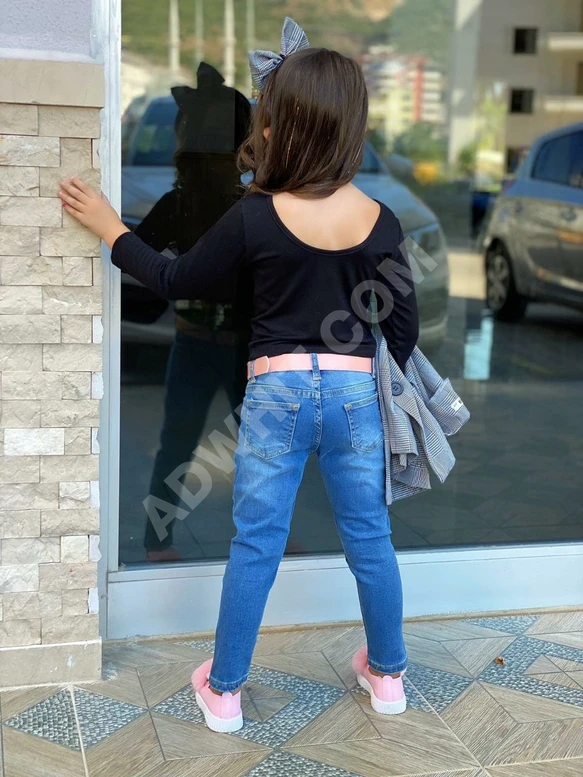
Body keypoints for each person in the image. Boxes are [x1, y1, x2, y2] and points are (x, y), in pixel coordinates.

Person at [59, 18, 418, 734]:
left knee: (256, 543)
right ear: (349, 127)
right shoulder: (380, 221)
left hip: (276, 388)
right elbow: (401, 332)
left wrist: (109, 226)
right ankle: (388, 676)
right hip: (352, 387)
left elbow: (174, 278)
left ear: (281, 126)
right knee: (369, 539)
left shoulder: (254, 216)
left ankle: (223, 691)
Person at [132, 65, 252, 562]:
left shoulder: (241, 205)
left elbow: (137, 256)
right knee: (254, 449)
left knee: (200, 445)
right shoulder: (241, 206)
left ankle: (158, 542)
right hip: (216, 342)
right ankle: (159, 540)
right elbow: (138, 257)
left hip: (226, 344)